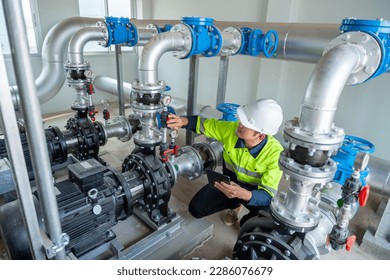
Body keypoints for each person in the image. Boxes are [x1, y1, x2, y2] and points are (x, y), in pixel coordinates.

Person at [166, 98, 284, 226]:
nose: (240, 124)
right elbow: (203, 124)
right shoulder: (231, 130)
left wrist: (244, 194)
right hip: (228, 181)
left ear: (260, 136)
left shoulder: (275, 154)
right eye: (242, 120)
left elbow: (267, 195)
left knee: (256, 224)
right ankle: (234, 204)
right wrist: (182, 121)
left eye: (246, 125)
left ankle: (245, 212)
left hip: (253, 191)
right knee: (196, 210)